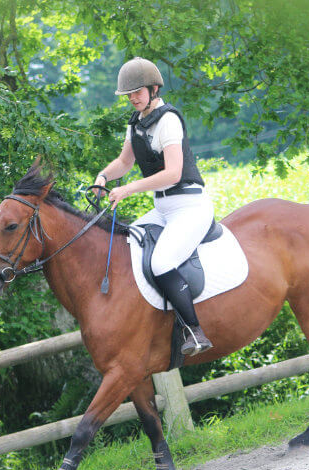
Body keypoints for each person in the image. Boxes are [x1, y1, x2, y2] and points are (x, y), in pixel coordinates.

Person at [94, 57, 214, 357]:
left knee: (161, 263)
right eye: (129, 94)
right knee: (127, 246)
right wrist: (103, 177)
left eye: (137, 92)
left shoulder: (168, 120)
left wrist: (128, 189)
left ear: (153, 88)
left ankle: (194, 331)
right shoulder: (135, 124)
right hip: (163, 208)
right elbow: (125, 162)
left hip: (190, 206)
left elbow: (173, 173)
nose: (133, 98)